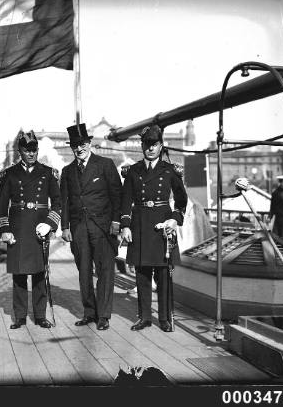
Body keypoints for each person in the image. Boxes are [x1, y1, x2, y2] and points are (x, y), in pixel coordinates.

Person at [120, 125, 188, 332]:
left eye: (154, 145)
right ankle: (145, 317)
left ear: (160, 146)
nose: (150, 149)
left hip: (162, 226)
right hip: (140, 225)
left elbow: (181, 200)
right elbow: (125, 201)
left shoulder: (170, 171)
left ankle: (165, 318)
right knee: (142, 274)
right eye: (147, 145)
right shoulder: (133, 171)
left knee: (164, 274)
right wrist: (125, 226)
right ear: (142, 146)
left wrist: (175, 219)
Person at [60, 123, 122, 331]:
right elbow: (65, 201)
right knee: (83, 271)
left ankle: (103, 315)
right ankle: (89, 312)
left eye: (83, 144)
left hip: (102, 227)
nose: (79, 148)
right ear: (72, 148)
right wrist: (65, 227)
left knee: (105, 270)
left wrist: (116, 222)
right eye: (75, 145)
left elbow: (117, 196)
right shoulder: (67, 171)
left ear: (89, 143)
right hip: (78, 229)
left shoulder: (105, 165)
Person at [0, 131, 61, 329]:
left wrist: (50, 224)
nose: (31, 154)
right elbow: (1, 205)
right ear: (20, 151)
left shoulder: (48, 173)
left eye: (34, 150)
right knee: (19, 273)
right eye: (27, 150)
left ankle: (40, 315)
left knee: (40, 271)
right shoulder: (9, 174)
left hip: (39, 227)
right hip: (17, 227)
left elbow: (58, 202)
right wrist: (5, 230)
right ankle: (20, 316)